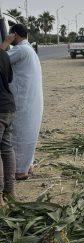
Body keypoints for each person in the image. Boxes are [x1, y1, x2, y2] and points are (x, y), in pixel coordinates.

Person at [1, 24, 44, 180]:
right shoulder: (28, 49)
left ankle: (20, 170)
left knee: (19, 134)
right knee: (27, 132)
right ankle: (27, 165)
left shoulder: (21, 50)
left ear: (14, 34)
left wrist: (5, 43)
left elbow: (1, 59)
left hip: (23, 100)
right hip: (30, 99)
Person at [0, 47, 16, 204]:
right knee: (7, 149)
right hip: (9, 107)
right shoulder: (4, 54)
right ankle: (10, 192)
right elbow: (9, 78)